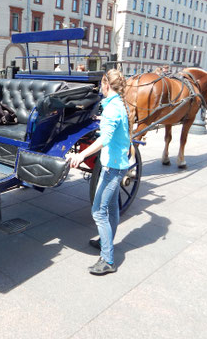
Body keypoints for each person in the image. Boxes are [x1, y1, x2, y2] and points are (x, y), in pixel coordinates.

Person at [67, 69, 131, 275]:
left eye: (101, 85)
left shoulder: (112, 109)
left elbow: (105, 139)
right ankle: (106, 243)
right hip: (115, 164)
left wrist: (80, 155)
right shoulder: (116, 105)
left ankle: (108, 260)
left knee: (98, 211)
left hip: (113, 167)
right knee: (111, 208)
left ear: (105, 85)